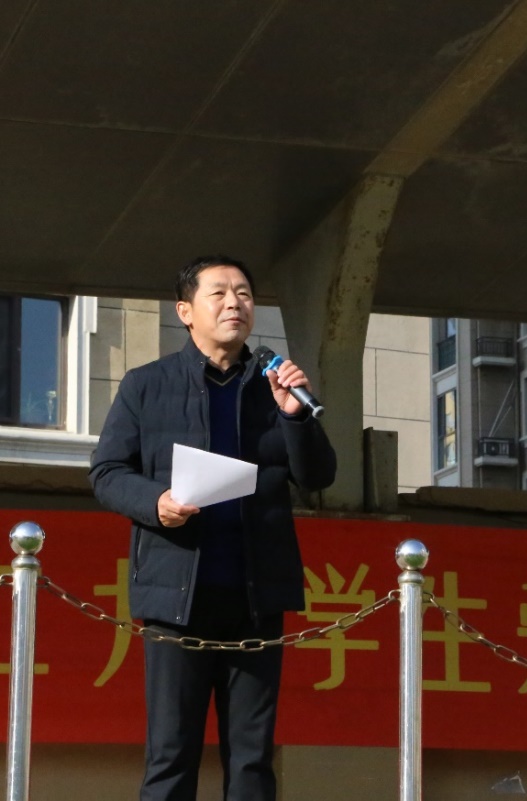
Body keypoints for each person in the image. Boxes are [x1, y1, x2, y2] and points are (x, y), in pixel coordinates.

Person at [89, 255, 336, 801]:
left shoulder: (273, 385)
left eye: (244, 294)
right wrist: (157, 502)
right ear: (185, 311)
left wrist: (294, 416)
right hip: (177, 597)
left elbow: (318, 477)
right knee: (170, 755)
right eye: (219, 293)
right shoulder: (147, 385)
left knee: (251, 760)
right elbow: (107, 473)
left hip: (255, 595)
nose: (234, 304)